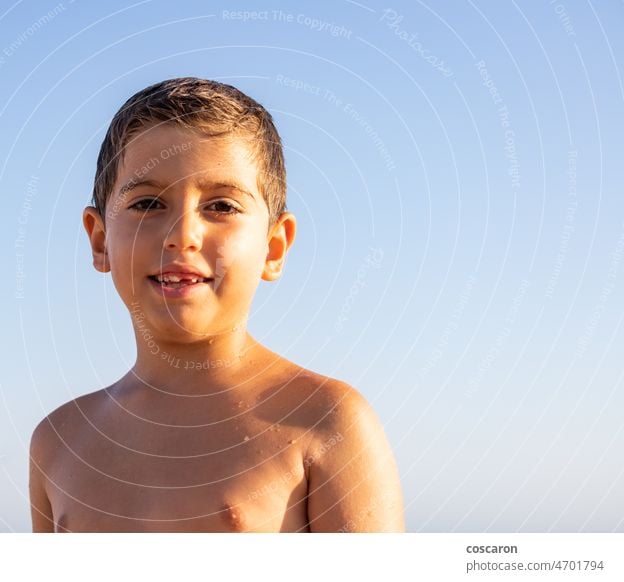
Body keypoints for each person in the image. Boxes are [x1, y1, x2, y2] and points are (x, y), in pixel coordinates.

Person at [29, 77, 404, 532]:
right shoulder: (59, 442)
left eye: (222, 206)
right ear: (100, 239)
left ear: (273, 247)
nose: (182, 235)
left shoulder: (324, 421)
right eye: (148, 203)